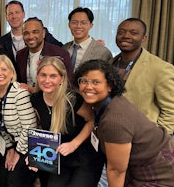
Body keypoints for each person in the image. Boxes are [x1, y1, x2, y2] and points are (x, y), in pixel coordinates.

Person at [74, 59, 174, 187]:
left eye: (96, 82)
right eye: (84, 81)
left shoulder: (114, 120)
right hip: (141, 165)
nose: (88, 86)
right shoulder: (111, 102)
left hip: (159, 172)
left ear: (110, 85)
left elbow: (116, 170)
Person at [29, 56, 104, 187]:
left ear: (62, 78)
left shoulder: (73, 99)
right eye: (43, 75)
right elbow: (41, 131)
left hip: (83, 157)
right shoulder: (35, 99)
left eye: (53, 76)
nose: (47, 80)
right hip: (59, 158)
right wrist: (35, 158)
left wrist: (73, 144)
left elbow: (92, 120)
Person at [111, 18, 174, 134]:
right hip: (110, 132)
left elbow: (171, 111)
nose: (126, 36)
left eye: (133, 33)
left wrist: (155, 138)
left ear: (143, 38)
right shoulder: (110, 63)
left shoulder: (160, 68)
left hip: (141, 138)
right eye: (121, 32)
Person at [0, 55, 38, 187]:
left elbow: (29, 128)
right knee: (0, 180)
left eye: (4, 69)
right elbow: (1, 126)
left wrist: (18, 153)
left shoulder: (20, 93)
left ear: (12, 73)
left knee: (13, 181)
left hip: (29, 144)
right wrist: (10, 148)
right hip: (12, 144)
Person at [15, 17, 72, 91]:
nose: (31, 36)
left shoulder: (60, 54)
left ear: (43, 33)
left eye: (35, 32)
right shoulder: (20, 55)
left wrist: (35, 90)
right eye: (26, 33)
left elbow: (68, 85)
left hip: (52, 100)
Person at [0, 0, 63, 66]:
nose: (14, 16)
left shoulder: (41, 33)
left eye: (17, 12)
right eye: (10, 14)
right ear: (6, 17)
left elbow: (60, 49)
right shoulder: (1, 42)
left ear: (23, 14)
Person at [62, 7, 112, 71]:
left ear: (91, 25)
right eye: (74, 22)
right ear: (69, 25)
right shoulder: (64, 48)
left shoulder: (103, 52)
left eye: (83, 23)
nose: (78, 26)